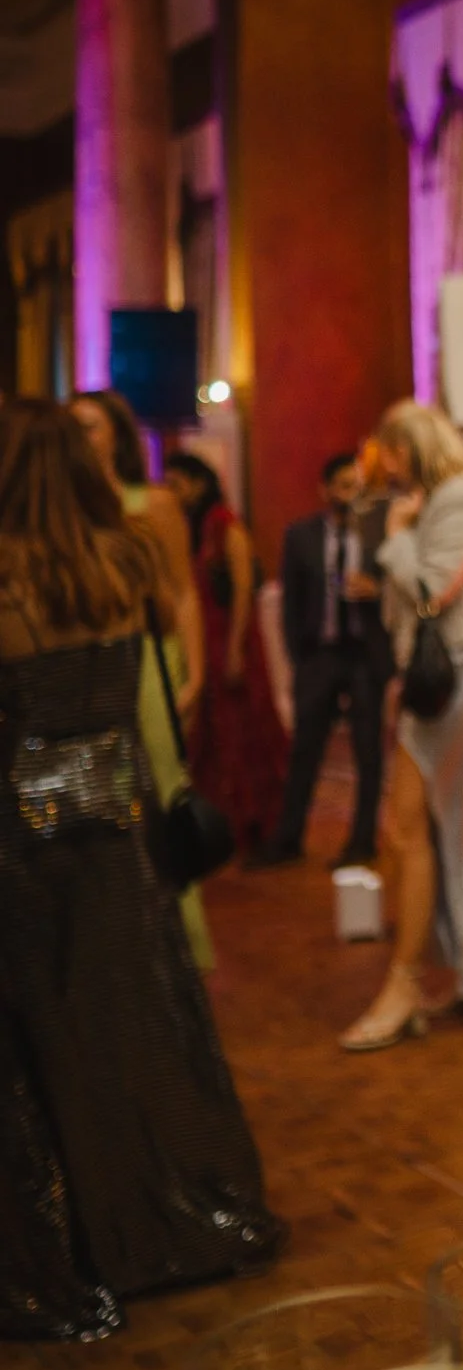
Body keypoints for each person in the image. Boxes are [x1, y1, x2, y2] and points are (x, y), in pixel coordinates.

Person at [0, 400, 284, 1339]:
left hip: (25, 854)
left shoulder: (9, 588)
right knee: (135, 1035)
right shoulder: (124, 563)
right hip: (117, 841)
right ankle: (166, 1213)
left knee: (44, 1056)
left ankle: (80, 1239)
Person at [340, 400, 463, 1050]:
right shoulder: (448, 496)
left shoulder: (460, 495)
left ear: (413, 448)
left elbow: (432, 589)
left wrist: (399, 533)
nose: (388, 468)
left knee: (417, 827)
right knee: (454, 829)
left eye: (394, 454)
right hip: (440, 677)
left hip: (458, 678)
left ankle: (407, 983)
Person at [70, 389, 214, 967]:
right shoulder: (58, 510)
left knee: (163, 793)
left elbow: (183, 593)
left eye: (90, 427)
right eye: (70, 429)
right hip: (85, 666)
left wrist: (196, 673)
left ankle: (183, 944)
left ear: (117, 437)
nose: (80, 439)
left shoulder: (151, 503)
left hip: (150, 659)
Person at [162, 452, 288, 858]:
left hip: (230, 641)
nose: (173, 493)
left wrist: (235, 647)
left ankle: (253, 822)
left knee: (243, 733)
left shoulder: (227, 527)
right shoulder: (189, 528)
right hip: (205, 643)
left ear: (199, 484)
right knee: (212, 737)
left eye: (179, 484)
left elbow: (242, 589)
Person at [270, 453, 393, 866]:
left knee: (368, 751)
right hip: (319, 653)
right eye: (342, 486)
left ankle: (361, 841)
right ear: (325, 490)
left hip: (363, 652)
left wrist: (375, 589)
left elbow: (397, 590)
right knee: (305, 748)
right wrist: (296, 656)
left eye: (355, 486)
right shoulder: (301, 536)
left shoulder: (378, 536)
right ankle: (288, 838)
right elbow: (290, 601)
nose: (350, 495)